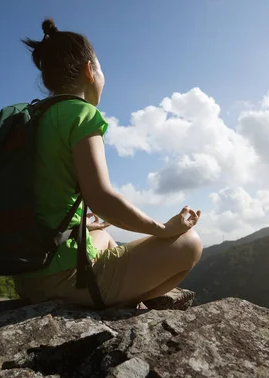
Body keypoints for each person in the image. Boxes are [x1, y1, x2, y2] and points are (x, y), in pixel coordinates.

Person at [12, 18, 203, 309]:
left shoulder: (34, 118)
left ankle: (112, 285)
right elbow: (101, 198)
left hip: (28, 274)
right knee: (191, 244)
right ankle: (119, 301)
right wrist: (163, 228)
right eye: (101, 69)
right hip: (65, 278)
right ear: (90, 71)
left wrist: (84, 225)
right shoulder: (82, 115)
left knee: (102, 233)